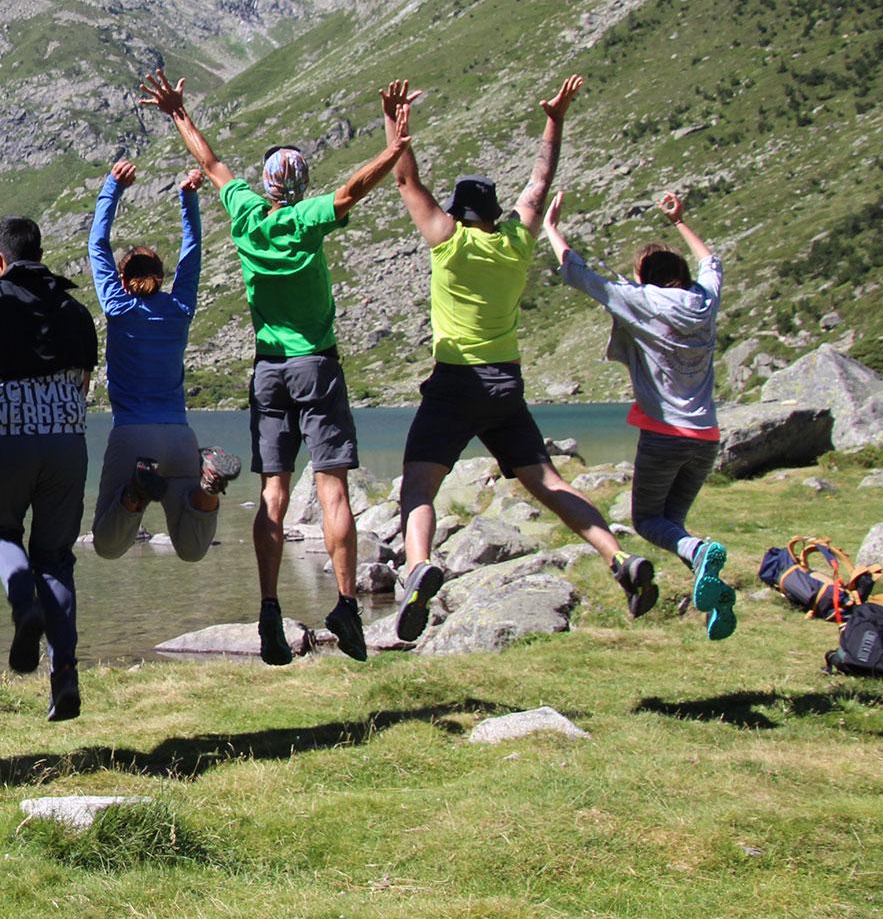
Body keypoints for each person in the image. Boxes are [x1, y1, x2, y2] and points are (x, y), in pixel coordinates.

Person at [139, 68, 412, 665]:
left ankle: (268, 608)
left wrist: (177, 112)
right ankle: (344, 604)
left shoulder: (245, 215)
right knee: (332, 488)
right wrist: (394, 145)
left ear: (264, 184)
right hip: (317, 365)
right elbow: (353, 192)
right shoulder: (309, 219)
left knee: (273, 493)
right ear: (301, 184)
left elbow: (211, 165)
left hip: (269, 372)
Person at [380, 76, 647, 641]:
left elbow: (404, 177)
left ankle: (418, 568)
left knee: (419, 487)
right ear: (495, 213)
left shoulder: (447, 240)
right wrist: (555, 117)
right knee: (547, 482)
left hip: (455, 384)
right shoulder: (517, 241)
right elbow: (540, 180)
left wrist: (398, 128)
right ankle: (617, 556)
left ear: (457, 211)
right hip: (506, 384)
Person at [543, 189, 735, 639]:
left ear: (644, 277)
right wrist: (680, 221)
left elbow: (580, 274)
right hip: (706, 437)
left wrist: (551, 228)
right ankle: (715, 590)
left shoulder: (641, 302)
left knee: (647, 522)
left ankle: (702, 553)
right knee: (674, 525)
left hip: (665, 433)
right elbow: (713, 265)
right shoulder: (704, 303)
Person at [0, 215, 98, 721]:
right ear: (40, 250)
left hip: (3, 440)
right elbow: (83, 384)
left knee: (0, 534)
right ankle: (64, 676)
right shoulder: (76, 308)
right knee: (56, 558)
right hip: (66, 443)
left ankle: (24, 606)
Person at [86, 158, 239, 563]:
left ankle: (136, 494)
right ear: (162, 277)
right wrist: (188, 200)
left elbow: (96, 244)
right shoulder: (180, 307)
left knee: (107, 544)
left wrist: (112, 188)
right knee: (192, 548)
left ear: (120, 279)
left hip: (131, 435)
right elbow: (193, 254)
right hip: (179, 437)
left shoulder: (117, 305)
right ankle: (207, 487)